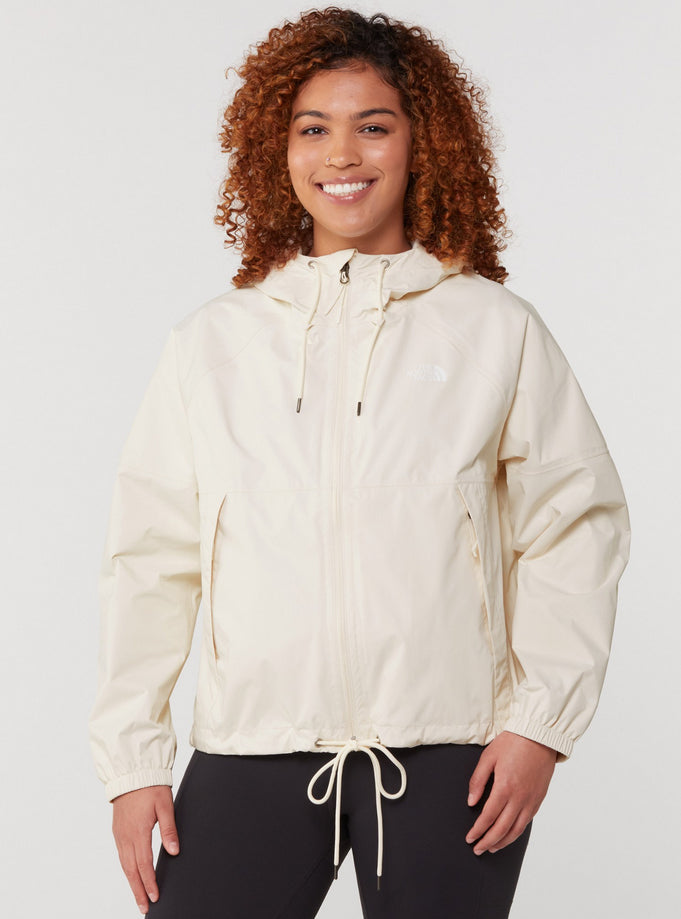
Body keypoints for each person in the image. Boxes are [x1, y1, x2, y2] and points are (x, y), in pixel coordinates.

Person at [88, 8, 631, 918]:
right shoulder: (211, 345)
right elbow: (149, 558)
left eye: (372, 126)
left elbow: (572, 528)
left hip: (451, 753)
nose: (341, 154)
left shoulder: (494, 330)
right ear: (277, 150)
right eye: (313, 129)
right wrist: (132, 760)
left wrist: (540, 725)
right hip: (253, 742)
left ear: (423, 145)